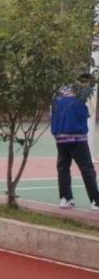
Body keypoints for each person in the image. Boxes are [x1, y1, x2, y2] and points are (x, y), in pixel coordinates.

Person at [51, 78, 99, 211]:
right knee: (87, 169)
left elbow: (52, 114)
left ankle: (65, 198)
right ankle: (95, 201)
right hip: (77, 138)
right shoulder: (82, 95)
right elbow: (88, 113)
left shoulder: (56, 95)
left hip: (60, 137)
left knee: (63, 168)